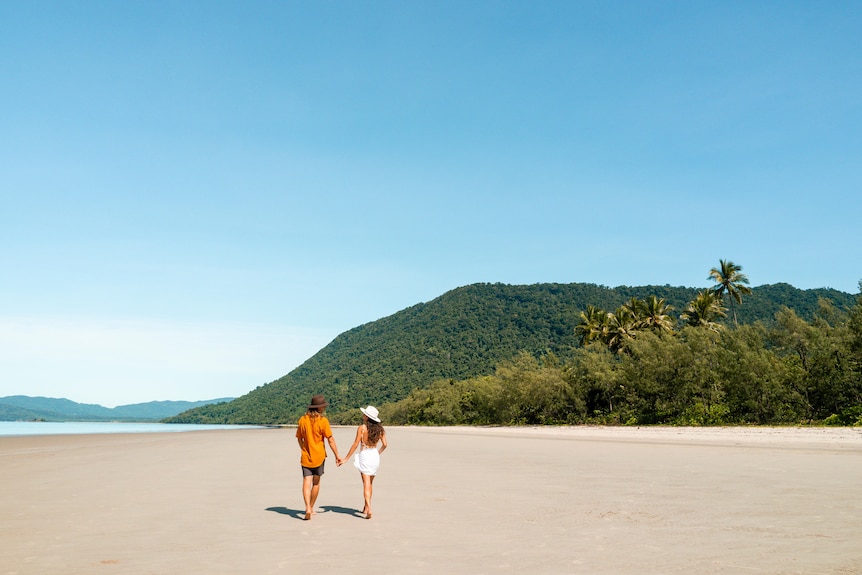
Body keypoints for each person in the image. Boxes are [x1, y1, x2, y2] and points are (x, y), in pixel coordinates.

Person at [296, 394, 342, 520]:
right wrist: (337, 455)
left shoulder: (302, 420)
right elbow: (330, 440)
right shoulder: (323, 421)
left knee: (306, 481)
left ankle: (307, 508)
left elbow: (299, 438)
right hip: (319, 456)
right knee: (316, 483)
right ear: (320, 408)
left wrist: (304, 448)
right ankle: (311, 507)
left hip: (306, 457)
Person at [340, 405, 387, 519]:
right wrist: (378, 453)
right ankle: (366, 507)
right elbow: (385, 444)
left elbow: (355, 444)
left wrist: (346, 458)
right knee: (370, 483)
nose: (363, 415)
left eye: (364, 414)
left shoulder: (362, 428)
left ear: (367, 417)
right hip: (374, 455)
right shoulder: (380, 429)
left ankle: (369, 508)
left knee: (366, 483)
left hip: (365, 454)